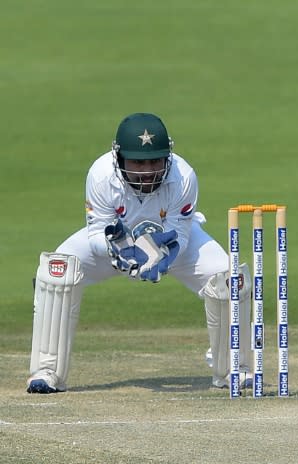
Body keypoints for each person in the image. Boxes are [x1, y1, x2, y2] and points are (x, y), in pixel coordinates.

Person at [27, 112, 252, 394]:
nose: (147, 170)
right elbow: (97, 231)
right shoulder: (100, 175)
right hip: (117, 244)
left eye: (154, 161)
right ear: (119, 158)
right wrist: (118, 250)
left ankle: (235, 369)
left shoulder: (183, 177)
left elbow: (180, 233)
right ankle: (47, 372)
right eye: (138, 162)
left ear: (167, 157)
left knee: (229, 279)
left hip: (168, 245)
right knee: (56, 270)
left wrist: (162, 253)